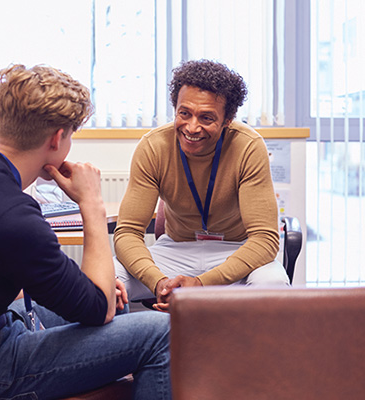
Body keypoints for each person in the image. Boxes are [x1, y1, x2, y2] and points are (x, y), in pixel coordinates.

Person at [0, 64, 171, 400]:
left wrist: (93, 292)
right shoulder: (13, 215)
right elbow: (98, 309)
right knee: (162, 332)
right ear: (57, 138)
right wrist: (92, 205)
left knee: (118, 302)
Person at [114, 59, 289, 312]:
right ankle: (133, 348)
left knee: (273, 284)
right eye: (184, 113)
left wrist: (202, 283)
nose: (192, 127)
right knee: (107, 278)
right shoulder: (153, 146)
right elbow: (127, 232)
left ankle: (248, 353)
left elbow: (264, 240)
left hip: (235, 251)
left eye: (206, 117)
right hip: (175, 251)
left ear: (227, 119)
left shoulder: (248, 146)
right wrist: (159, 283)